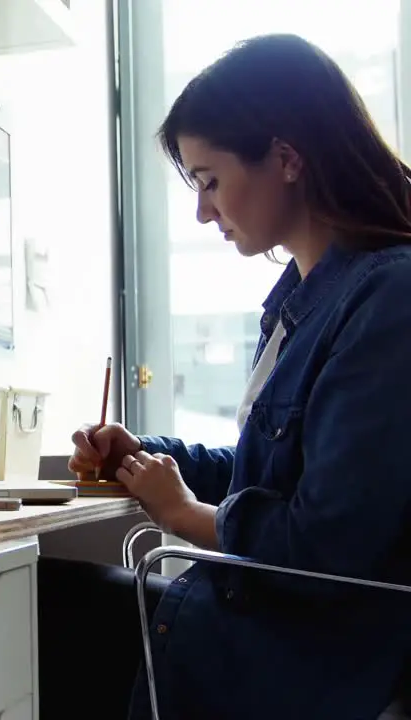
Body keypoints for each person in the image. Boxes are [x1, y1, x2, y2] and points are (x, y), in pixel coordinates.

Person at [38, 33, 411, 720]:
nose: (204, 211)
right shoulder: (301, 305)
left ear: (287, 159)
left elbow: (323, 547)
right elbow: (265, 473)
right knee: (46, 599)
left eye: (210, 181)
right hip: (265, 622)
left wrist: (180, 514)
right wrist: (145, 458)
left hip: (310, 654)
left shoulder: (387, 299)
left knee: (40, 609)